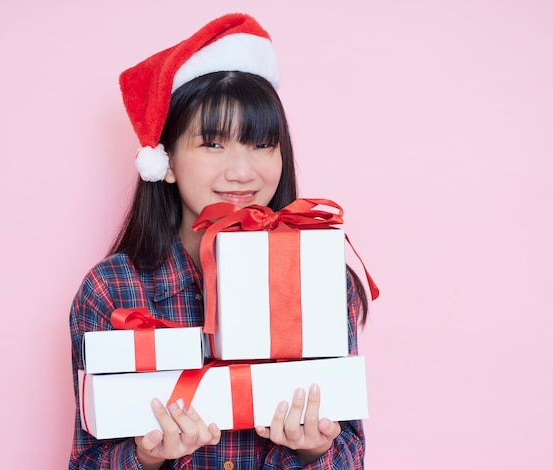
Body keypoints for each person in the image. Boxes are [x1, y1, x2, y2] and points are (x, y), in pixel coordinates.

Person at [69, 12, 371, 470]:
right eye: (212, 144)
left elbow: (351, 452)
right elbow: (87, 460)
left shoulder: (324, 279)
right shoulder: (111, 291)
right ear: (164, 162)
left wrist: (314, 449)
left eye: (261, 143)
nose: (242, 172)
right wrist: (145, 458)